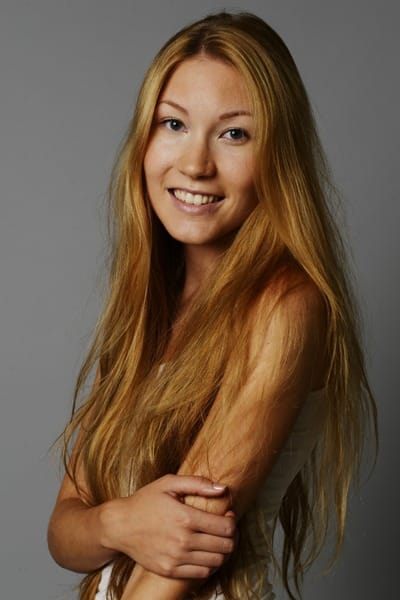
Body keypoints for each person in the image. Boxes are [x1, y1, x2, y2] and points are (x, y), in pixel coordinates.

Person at [48, 11, 377, 600]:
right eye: (173, 123)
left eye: (234, 134)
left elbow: (183, 553)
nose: (195, 163)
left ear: (279, 155)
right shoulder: (146, 312)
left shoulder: (287, 306)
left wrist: (118, 524)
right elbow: (64, 533)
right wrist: (118, 522)